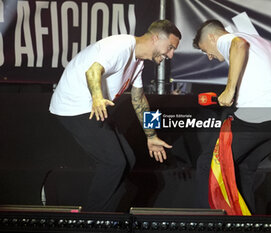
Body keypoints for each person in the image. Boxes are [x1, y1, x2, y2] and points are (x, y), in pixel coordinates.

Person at [49, 20, 182, 212]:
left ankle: (109, 215)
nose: (170, 55)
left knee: (128, 159)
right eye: (170, 48)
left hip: (94, 107)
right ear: (155, 38)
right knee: (114, 162)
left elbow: (139, 99)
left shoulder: (138, 63)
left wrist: (151, 136)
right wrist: (97, 98)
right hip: (74, 106)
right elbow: (93, 70)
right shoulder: (121, 46)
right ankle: (90, 219)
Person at [192, 19, 271, 213]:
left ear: (212, 37)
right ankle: (245, 225)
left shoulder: (228, 39)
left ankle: (202, 223)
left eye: (205, 50)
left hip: (259, 116)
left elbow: (238, 45)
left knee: (207, 163)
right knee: (243, 168)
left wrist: (230, 90)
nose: (209, 57)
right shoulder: (261, 43)